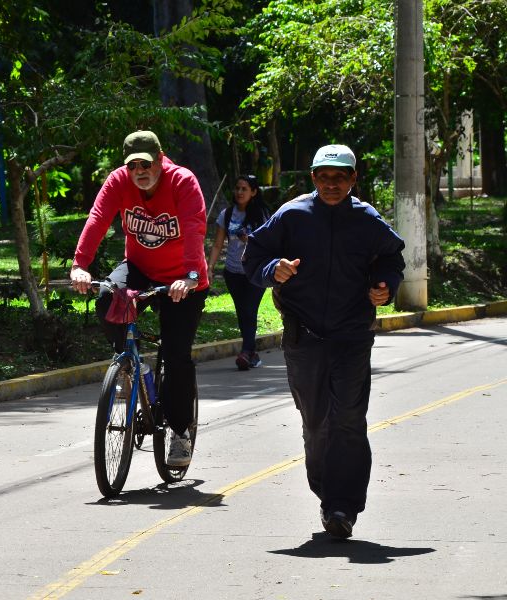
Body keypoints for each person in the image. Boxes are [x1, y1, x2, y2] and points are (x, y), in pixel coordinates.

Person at [242, 144, 405, 539]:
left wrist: (385, 285)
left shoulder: (367, 220)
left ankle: (341, 507)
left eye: (340, 177)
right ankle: (326, 493)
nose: (332, 184)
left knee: (348, 419)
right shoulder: (292, 215)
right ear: (313, 178)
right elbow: (253, 257)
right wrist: (273, 268)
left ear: (353, 179)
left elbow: (392, 258)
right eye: (324, 177)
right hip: (304, 336)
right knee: (316, 423)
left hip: (352, 336)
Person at [70, 130, 209, 467]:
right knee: (107, 298)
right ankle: (131, 366)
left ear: (160, 159)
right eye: (132, 165)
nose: (139, 171)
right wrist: (80, 265)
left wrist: (190, 276)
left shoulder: (182, 181)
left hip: (183, 278)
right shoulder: (119, 181)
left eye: (145, 164)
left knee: (176, 357)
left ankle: (180, 433)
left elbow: (194, 228)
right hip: (139, 268)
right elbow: (98, 218)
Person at [207, 175, 271, 371]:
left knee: (250, 310)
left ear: (253, 192)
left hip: (255, 271)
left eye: (244, 189)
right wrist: (209, 267)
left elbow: (268, 243)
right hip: (233, 272)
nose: (240, 192)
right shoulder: (226, 214)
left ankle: (245, 352)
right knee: (242, 312)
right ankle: (251, 353)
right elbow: (217, 244)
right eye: (237, 188)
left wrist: (248, 239)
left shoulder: (261, 214)